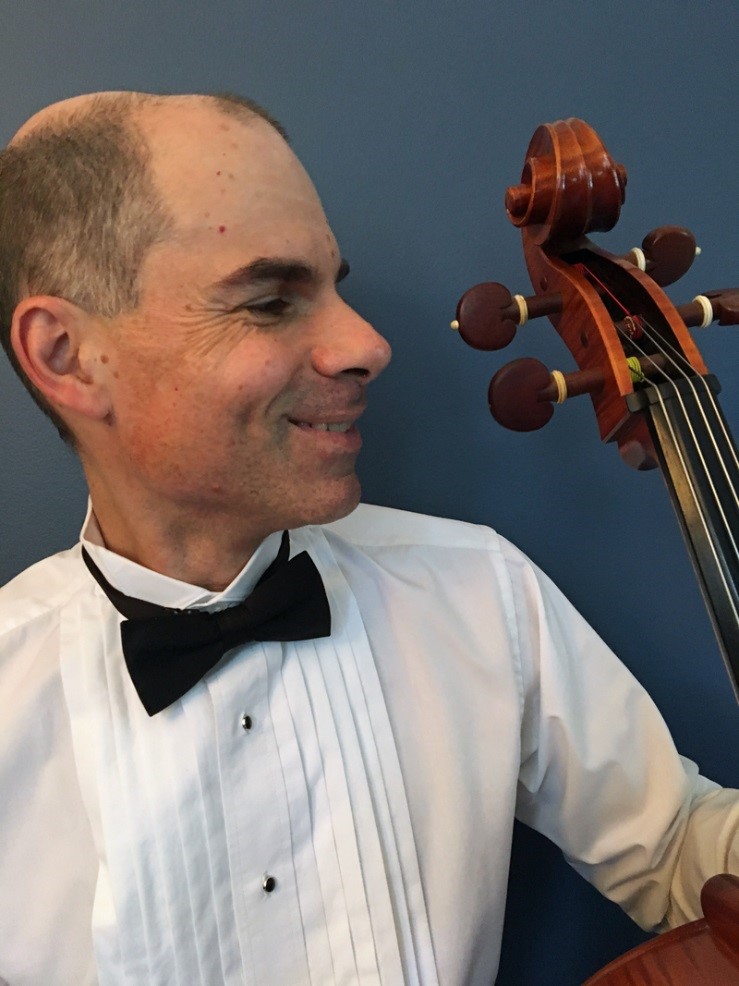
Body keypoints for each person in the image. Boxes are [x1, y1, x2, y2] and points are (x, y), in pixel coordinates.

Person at [0, 91, 736, 986]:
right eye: (271, 302)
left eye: (334, 287)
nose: (367, 345)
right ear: (68, 356)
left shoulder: (476, 590)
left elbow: (671, 843)